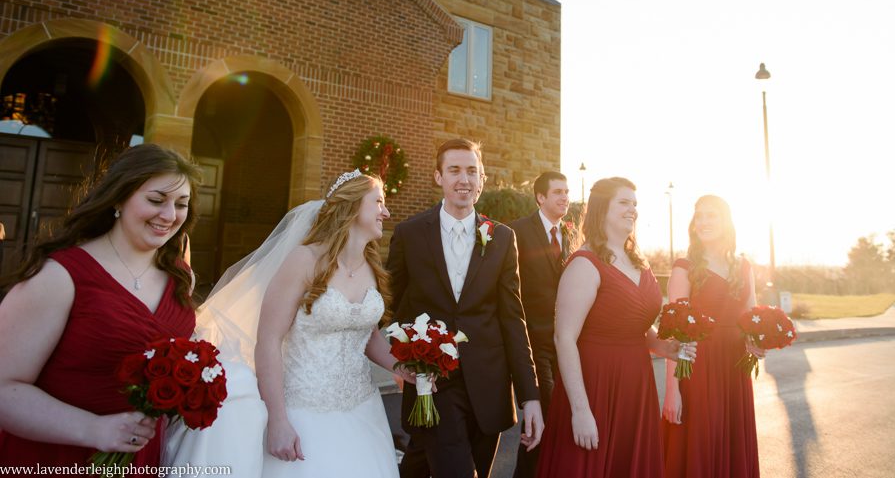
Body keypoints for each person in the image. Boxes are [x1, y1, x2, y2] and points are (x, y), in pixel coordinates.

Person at [165, 170, 409, 477]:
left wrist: (404, 367)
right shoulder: (303, 260)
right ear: (352, 205)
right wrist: (277, 420)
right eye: (379, 202)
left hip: (362, 411)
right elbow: (268, 340)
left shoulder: (372, 267)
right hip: (302, 410)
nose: (386, 212)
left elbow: (369, 338)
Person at [0, 143, 200, 466]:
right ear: (119, 198)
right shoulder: (59, 276)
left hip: (139, 459)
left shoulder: (181, 277)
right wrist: (93, 429)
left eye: (181, 204)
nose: (169, 215)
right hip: (56, 458)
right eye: (156, 200)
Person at [387, 138, 543, 478]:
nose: (464, 179)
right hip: (433, 382)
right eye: (454, 170)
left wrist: (530, 397)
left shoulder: (501, 238)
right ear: (438, 177)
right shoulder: (410, 233)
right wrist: (399, 359)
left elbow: (513, 319)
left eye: (472, 171)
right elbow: (392, 306)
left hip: (489, 385)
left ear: (482, 179)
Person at [536, 177, 695, 478]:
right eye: (624, 202)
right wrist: (581, 410)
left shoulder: (639, 262)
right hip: (595, 385)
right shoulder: (585, 263)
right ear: (601, 209)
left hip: (636, 385)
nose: (632, 209)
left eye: (634, 204)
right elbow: (564, 338)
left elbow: (634, 327)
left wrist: (664, 346)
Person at [661, 195, 761, 478]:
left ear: (726, 221)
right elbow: (674, 331)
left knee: (731, 443)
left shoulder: (744, 266)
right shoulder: (685, 267)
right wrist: (672, 390)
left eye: (711, 215)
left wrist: (757, 341)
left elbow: (751, 317)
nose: (702, 222)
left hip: (735, 369)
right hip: (698, 368)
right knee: (700, 446)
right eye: (699, 216)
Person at [511, 171, 572, 478]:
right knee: (545, 415)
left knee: (554, 420)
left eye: (567, 192)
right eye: (558, 192)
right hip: (534, 344)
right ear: (540, 197)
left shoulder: (572, 236)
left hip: (567, 344)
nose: (565, 197)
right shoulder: (517, 232)